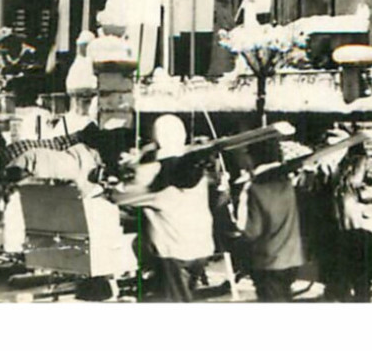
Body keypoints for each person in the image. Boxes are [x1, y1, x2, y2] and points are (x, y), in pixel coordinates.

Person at [110, 115, 215, 303]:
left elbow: (117, 196)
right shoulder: (197, 171)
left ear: (156, 141)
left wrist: (133, 164)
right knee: (183, 297)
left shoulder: (154, 175)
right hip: (201, 247)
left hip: (173, 252)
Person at [241, 141, 303, 302]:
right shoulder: (288, 184)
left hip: (268, 261)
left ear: (254, 158)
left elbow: (252, 231)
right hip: (292, 258)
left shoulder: (255, 189)